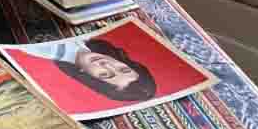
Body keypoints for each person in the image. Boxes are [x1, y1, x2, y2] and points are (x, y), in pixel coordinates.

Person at [19, 38, 157, 102]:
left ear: (88, 77)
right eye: (123, 69)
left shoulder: (47, 49)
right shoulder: (85, 44)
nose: (106, 64)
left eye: (105, 74)